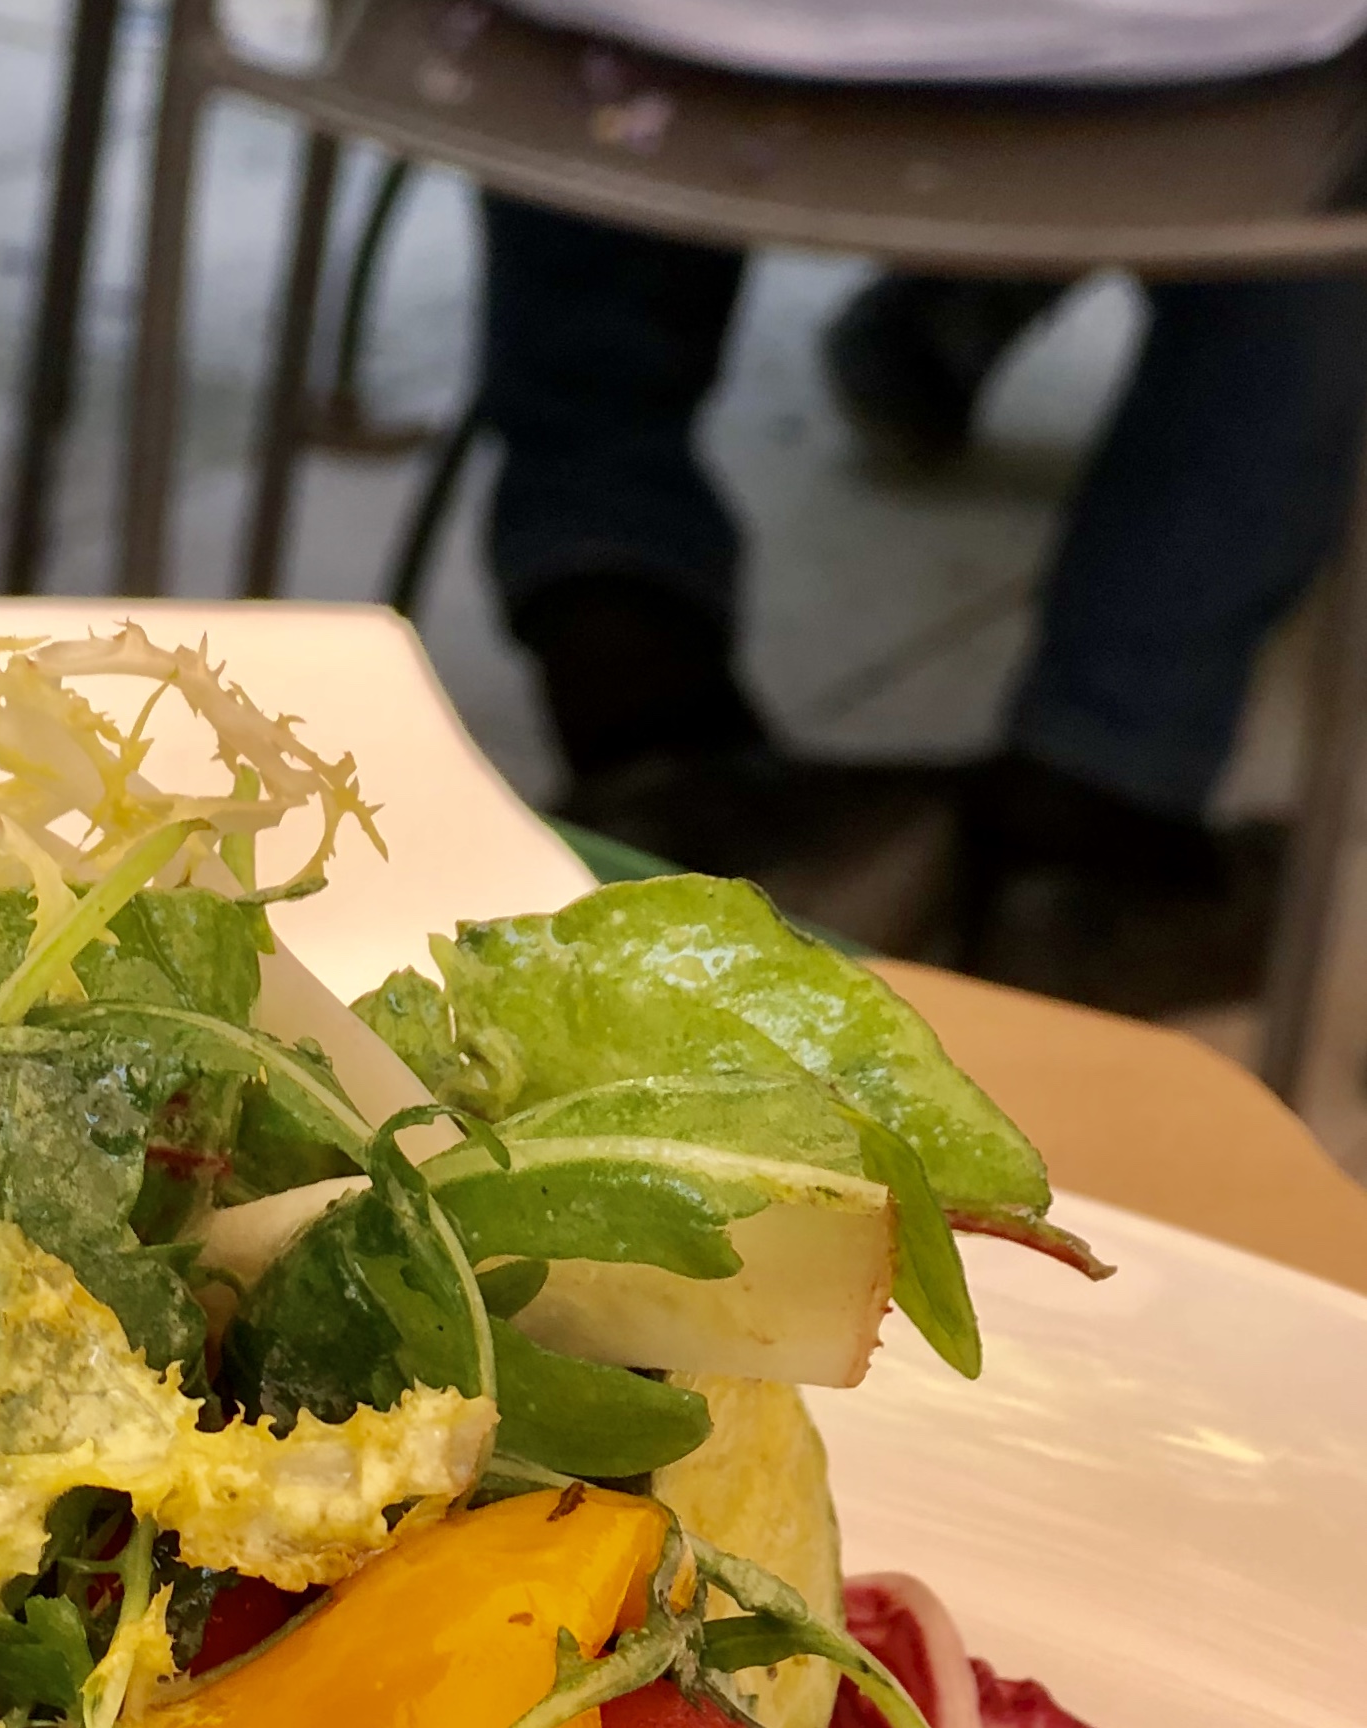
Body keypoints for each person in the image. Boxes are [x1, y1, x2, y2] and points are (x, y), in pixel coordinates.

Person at [474, 3, 1367, 1005]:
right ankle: (1099, 823)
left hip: (607, 64)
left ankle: (627, 678)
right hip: (1199, 70)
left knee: (625, 43)